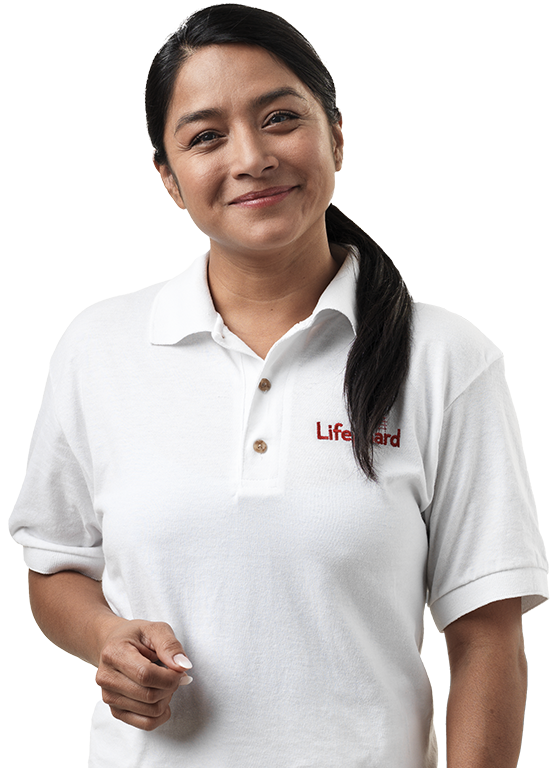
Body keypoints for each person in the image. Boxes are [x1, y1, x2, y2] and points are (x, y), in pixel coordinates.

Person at [8, 4, 549, 767]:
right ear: (169, 179)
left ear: (336, 133)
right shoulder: (98, 349)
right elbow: (56, 562)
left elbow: (486, 631)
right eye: (205, 136)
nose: (252, 156)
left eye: (280, 118)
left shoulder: (446, 358)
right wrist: (106, 637)